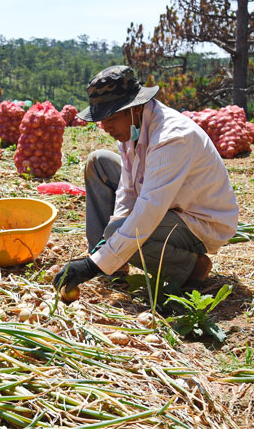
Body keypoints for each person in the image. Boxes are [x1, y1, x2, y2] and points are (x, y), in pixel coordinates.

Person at [54, 66, 238, 291]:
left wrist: (93, 265)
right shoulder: (133, 126)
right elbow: (127, 189)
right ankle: (110, 262)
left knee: (119, 232)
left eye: (110, 117)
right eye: (102, 119)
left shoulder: (171, 137)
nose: (105, 127)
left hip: (198, 219)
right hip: (169, 203)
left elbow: (149, 209)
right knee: (99, 162)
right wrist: (109, 239)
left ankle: (190, 266)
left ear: (135, 107)